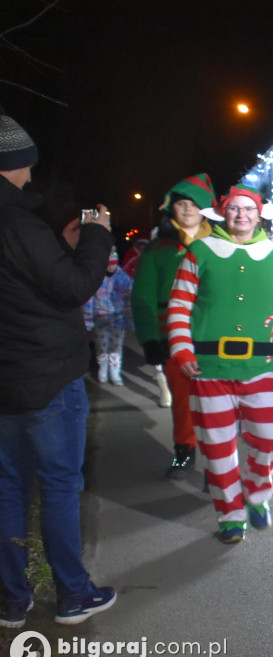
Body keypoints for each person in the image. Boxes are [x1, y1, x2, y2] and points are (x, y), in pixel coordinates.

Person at [0, 108, 117, 628]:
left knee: (6, 489)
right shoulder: (17, 223)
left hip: (5, 380)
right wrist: (96, 235)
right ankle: (72, 593)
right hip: (46, 379)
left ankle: (11, 599)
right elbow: (71, 287)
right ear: (16, 163)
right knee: (60, 486)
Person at [166, 184, 273, 543]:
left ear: (259, 215)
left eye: (248, 209)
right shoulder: (199, 251)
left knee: (270, 441)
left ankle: (256, 494)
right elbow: (179, 306)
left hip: (258, 368)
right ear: (222, 213)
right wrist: (182, 350)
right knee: (217, 447)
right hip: (209, 369)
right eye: (233, 209)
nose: (241, 215)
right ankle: (230, 514)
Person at [131, 174, 215, 477]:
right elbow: (142, 297)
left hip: (215, 337)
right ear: (172, 209)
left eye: (194, 204)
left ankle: (217, 464)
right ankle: (184, 451)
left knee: (218, 401)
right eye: (181, 204)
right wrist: (150, 339)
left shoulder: (222, 245)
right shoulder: (157, 250)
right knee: (183, 400)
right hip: (174, 339)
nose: (188, 209)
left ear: (205, 208)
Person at [82, 247, 133, 385]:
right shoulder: (97, 278)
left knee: (116, 345)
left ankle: (115, 370)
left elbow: (129, 298)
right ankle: (103, 368)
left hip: (118, 318)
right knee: (102, 344)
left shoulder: (123, 278)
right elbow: (89, 299)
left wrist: (130, 319)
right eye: (108, 264)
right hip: (100, 316)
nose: (111, 267)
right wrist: (88, 319)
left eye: (113, 263)